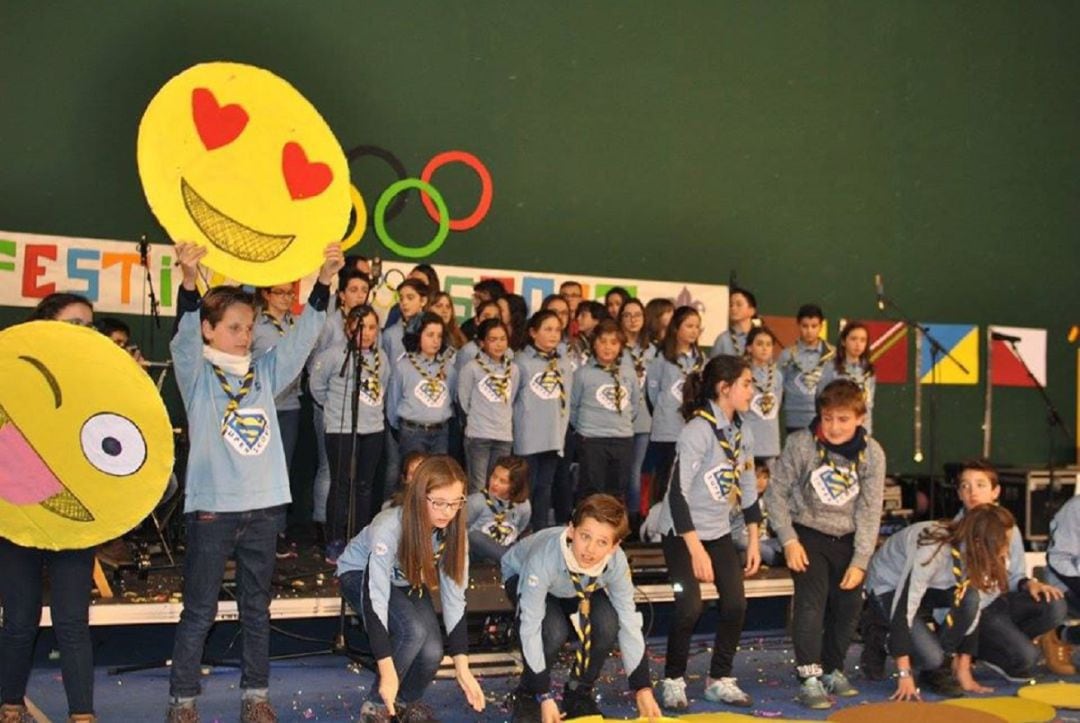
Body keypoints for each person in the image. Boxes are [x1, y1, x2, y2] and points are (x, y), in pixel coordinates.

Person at [166, 241, 343, 723]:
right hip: (212, 511)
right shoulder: (196, 373)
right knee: (198, 611)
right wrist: (187, 280)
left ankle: (255, 696)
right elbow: (182, 336)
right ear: (209, 330)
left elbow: (304, 336)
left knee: (256, 609)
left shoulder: (266, 373)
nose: (244, 336)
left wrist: (323, 281)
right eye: (233, 328)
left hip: (264, 508)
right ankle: (182, 702)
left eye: (249, 327)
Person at [1, 293, 98, 723]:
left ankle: (82, 713)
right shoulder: (15, 372)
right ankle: (9, 704)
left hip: (73, 518)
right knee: (20, 620)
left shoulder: (102, 381)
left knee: (72, 622)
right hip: (21, 514)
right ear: (46, 325)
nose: (85, 333)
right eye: (75, 323)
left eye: (89, 326)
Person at [764, 378, 885, 709]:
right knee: (811, 605)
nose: (834, 427)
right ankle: (809, 676)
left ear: (860, 418)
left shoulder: (872, 453)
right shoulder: (802, 444)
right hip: (808, 535)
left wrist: (861, 559)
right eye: (828, 418)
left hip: (848, 539)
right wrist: (788, 540)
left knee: (847, 609)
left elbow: (871, 509)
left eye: (843, 419)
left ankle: (833, 669)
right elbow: (775, 494)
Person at [336, 456, 485, 722]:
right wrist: (388, 669)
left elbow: (454, 599)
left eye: (455, 503)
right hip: (358, 574)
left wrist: (463, 668)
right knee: (412, 631)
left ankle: (403, 703)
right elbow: (376, 598)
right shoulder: (389, 526)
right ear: (419, 495)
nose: (447, 512)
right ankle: (375, 708)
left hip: (405, 580)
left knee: (432, 651)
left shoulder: (454, 533)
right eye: (438, 502)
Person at [655, 355, 762, 711]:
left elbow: (748, 488)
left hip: (717, 531)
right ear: (724, 388)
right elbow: (676, 493)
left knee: (736, 604)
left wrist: (754, 540)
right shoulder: (697, 431)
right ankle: (672, 679)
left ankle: (719, 678)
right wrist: (696, 550)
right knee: (690, 606)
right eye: (746, 384)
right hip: (681, 531)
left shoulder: (743, 431)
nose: (752, 390)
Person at [503, 494, 661, 722]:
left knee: (608, 623)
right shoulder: (543, 558)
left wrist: (642, 687)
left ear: (615, 547)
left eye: (602, 542)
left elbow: (629, 621)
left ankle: (578, 692)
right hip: (523, 573)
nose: (590, 549)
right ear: (571, 531)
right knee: (553, 630)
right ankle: (528, 695)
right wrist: (543, 693)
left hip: (577, 581)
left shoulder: (615, 563)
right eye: (585, 536)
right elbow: (530, 627)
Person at [865, 505, 1016, 700]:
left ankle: (938, 668)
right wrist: (904, 673)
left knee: (970, 598)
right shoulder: (931, 549)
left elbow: (973, 606)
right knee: (930, 656)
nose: (1006, 549)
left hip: (931, 589)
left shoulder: (979, 553)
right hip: (889, 586)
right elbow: (905, 604)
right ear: (980, 542)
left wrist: (964, 669)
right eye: (1004, 543)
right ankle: (879, 634)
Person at [953, 460, 1073, 679]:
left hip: (1002, 601)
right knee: (1027, 658)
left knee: (1055, 603)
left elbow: (1014, 574)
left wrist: (1030, 584)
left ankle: (998, 646)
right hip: (975, 611)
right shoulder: (954, 532)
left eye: (980, 485)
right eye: (965, 486)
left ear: (995, 491)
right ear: (959, 493)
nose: (972, 492)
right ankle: (983, 650)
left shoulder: (1007, 525)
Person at [309, 305, 389, 564]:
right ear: (349, 328)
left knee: (365, 487)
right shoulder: (334, 356)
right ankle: (334, 540)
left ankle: (360, 539)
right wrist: (333, 410)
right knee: (341, 485)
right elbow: (317, 388)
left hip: (373, 428)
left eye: (372, 328)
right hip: (341, 428)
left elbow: (383, 386)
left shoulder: (381, 358)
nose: (366, 333)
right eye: (361, 327)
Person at [310, 268, 371, 544]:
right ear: (342, 295)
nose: (359, 295)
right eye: (354, 290)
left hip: (361, 410)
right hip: (330, 406)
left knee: (356, 476)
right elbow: (316, 366)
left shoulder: (368, 322)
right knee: (329, 469)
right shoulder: (330, 324)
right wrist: (327, 402)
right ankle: (325, 525)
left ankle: (352, 529)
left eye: (364, 290)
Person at [253, 281, 304, 560]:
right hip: (262, 407)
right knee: (258, 470)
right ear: (266, 294)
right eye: (280, 293)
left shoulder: (296, 325)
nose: (286, 298)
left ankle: (277, 532)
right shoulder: (255, 326)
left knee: (281, 472)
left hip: (291, 406)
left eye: (290, 293)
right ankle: (256, 531)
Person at [512, 310, 574, 531]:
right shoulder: (520, 361)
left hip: (553, 437)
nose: (554, 334)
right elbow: (510, 399)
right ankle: (520, 533)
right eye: (547, 329)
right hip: (527, 437)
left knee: (544, 489)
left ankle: (539, 533)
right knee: (524, 489)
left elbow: (566, 402)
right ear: (532, 332)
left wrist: (561, 435)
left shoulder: (563, 364)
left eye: (557, 330)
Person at [570, 319, 638, 503]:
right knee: (592, 491)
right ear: (593, 344)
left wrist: (620, 426)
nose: (608, 347)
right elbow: (573, 407)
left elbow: (634, 405)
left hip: (622, 439)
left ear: (621, 346)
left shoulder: (629, 373)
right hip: (592, 440)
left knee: (617, 491)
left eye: (614, 342)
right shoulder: (583, 374)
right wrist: (586, 430)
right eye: (602, 341)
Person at [645, 306, 704, 504]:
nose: (694, 330)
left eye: (697, 326)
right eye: (689, 326)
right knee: (664, 478)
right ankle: (656, 526)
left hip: (692, 428)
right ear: (676, 328)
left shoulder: (702, 360)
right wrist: (665, 411)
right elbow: (652, 392)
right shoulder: (662, 358)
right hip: (667, 429)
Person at [457, 318, 519, 493]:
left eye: (502, 339)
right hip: (478, 435)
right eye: (492, 340)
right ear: (482, 343)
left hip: (503, 435)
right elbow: (464, 400)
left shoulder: (513, 369)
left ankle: (494, 520)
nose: (499, 344)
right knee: (478, 485)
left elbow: (511, 398)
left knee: (499, 486)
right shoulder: (472, 368)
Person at [387, 312, 457, 458]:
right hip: (412, 432)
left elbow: (451, 396)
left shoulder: (448, 368)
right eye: (430, 335)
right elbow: (393, 401)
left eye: (439, 336)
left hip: (440, 432)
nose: (436, 341)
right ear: (418, 336)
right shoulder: (404, 367)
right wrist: (398, 429)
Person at [619, 298, 655, 527]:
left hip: (644, 420)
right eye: (627, 315)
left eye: (637, 315)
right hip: (619, 419)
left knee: (636, 472)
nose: (632, 320)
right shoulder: (615, 347)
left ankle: (635, 518)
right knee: (622, 472)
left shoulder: (653, 350)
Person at [778, 304, 834, 434]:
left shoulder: (832, 355)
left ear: (821, 326)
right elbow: (777, 387)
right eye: (805, 326)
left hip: (824, 417)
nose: (809, 331)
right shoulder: (787, 355)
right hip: (794, 418)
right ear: (798, 325)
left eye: (814, 326)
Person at [465, 455, 530, 562]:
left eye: (503, 481)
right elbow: (460, 532)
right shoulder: (476, 501)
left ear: (515, 485)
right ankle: (513, 562)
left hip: (504, 549)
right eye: (494, 476)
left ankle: (510, 561)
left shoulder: (524, 506)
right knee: (475, 536)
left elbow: (520, 529)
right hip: (476, 554)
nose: (495, 483)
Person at [818, 322, 876, 434]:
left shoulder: (868, 370)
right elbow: (821, 398)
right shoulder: (831, 367)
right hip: (839, 428)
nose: (858, 344)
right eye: (853, 339)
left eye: (862, 340)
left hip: (863, 427)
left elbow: (869, 403)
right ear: (844, 341)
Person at [743, 327, 784, 464]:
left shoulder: (777, 376)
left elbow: (777, 405)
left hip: (770, 442)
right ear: (749, 348)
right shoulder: (742, 374)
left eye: (768, 344)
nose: (764, 348)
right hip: (748, 441)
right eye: (759, 344)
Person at [709, 287, 758, 358]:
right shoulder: (723, 339)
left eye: (739, 305)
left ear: (751, 311)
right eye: (731, 305)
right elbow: (713, 366)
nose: (733, 308)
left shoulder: (760, 337)